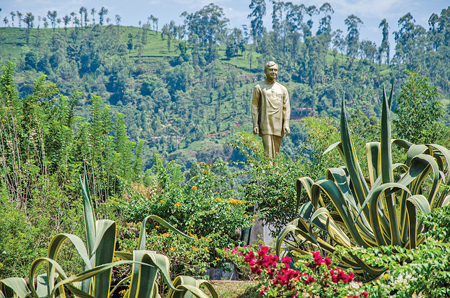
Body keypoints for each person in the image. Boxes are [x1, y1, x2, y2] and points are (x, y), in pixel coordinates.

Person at [251, 61, 290, 158]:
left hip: (278, 124)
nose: (273, 72)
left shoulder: (282, 89)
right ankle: (269, 172)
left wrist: (286, 124)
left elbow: (287, 108)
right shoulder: (259, 87)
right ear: (266, 71)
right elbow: (254, 106)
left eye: (275, 70)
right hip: (266, 123)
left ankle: (276, 172)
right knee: (268, 153)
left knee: (276, 153)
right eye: (271, 70)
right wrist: (255, 124)